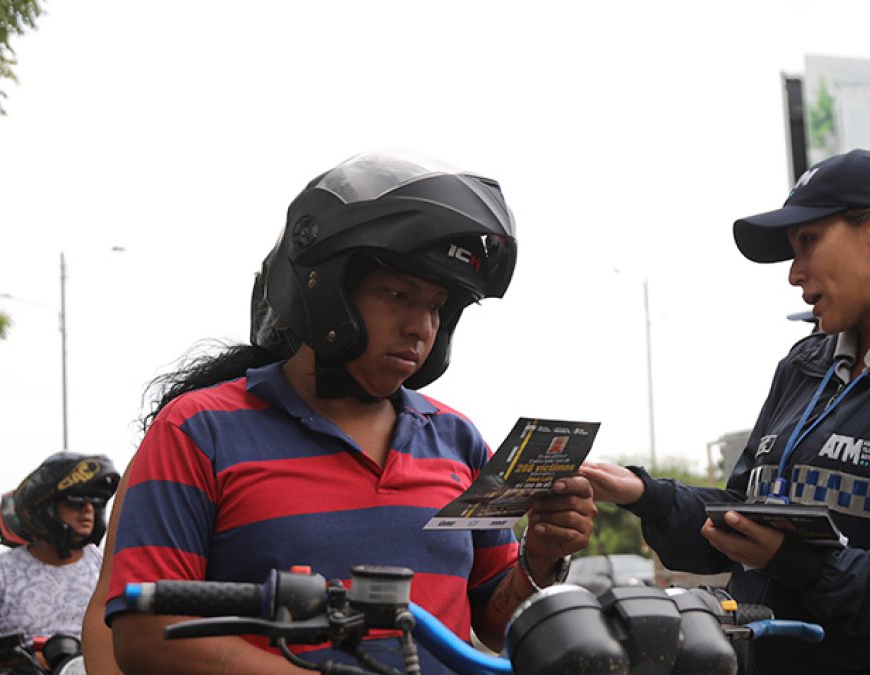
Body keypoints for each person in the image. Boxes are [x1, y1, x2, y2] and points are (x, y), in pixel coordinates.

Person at [88, 150, 597, 675]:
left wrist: (540, 556)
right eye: (398, 294)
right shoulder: (197, 431)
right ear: (326, 291)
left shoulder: (457, 440)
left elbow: (494, 624)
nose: (420, 327)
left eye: (435, 306)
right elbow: (145, 634)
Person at [582, 148, 870, 675]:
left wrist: (794, 562)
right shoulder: (804, 364)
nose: (794, 273)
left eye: (807, 242)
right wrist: (647, 496)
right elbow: (741, 515)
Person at [0, 453, 120, 673]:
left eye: (95, 502)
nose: (88, 509)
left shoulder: (105, 566)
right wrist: (21, 656)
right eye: (76, 500)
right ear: (44, 505)